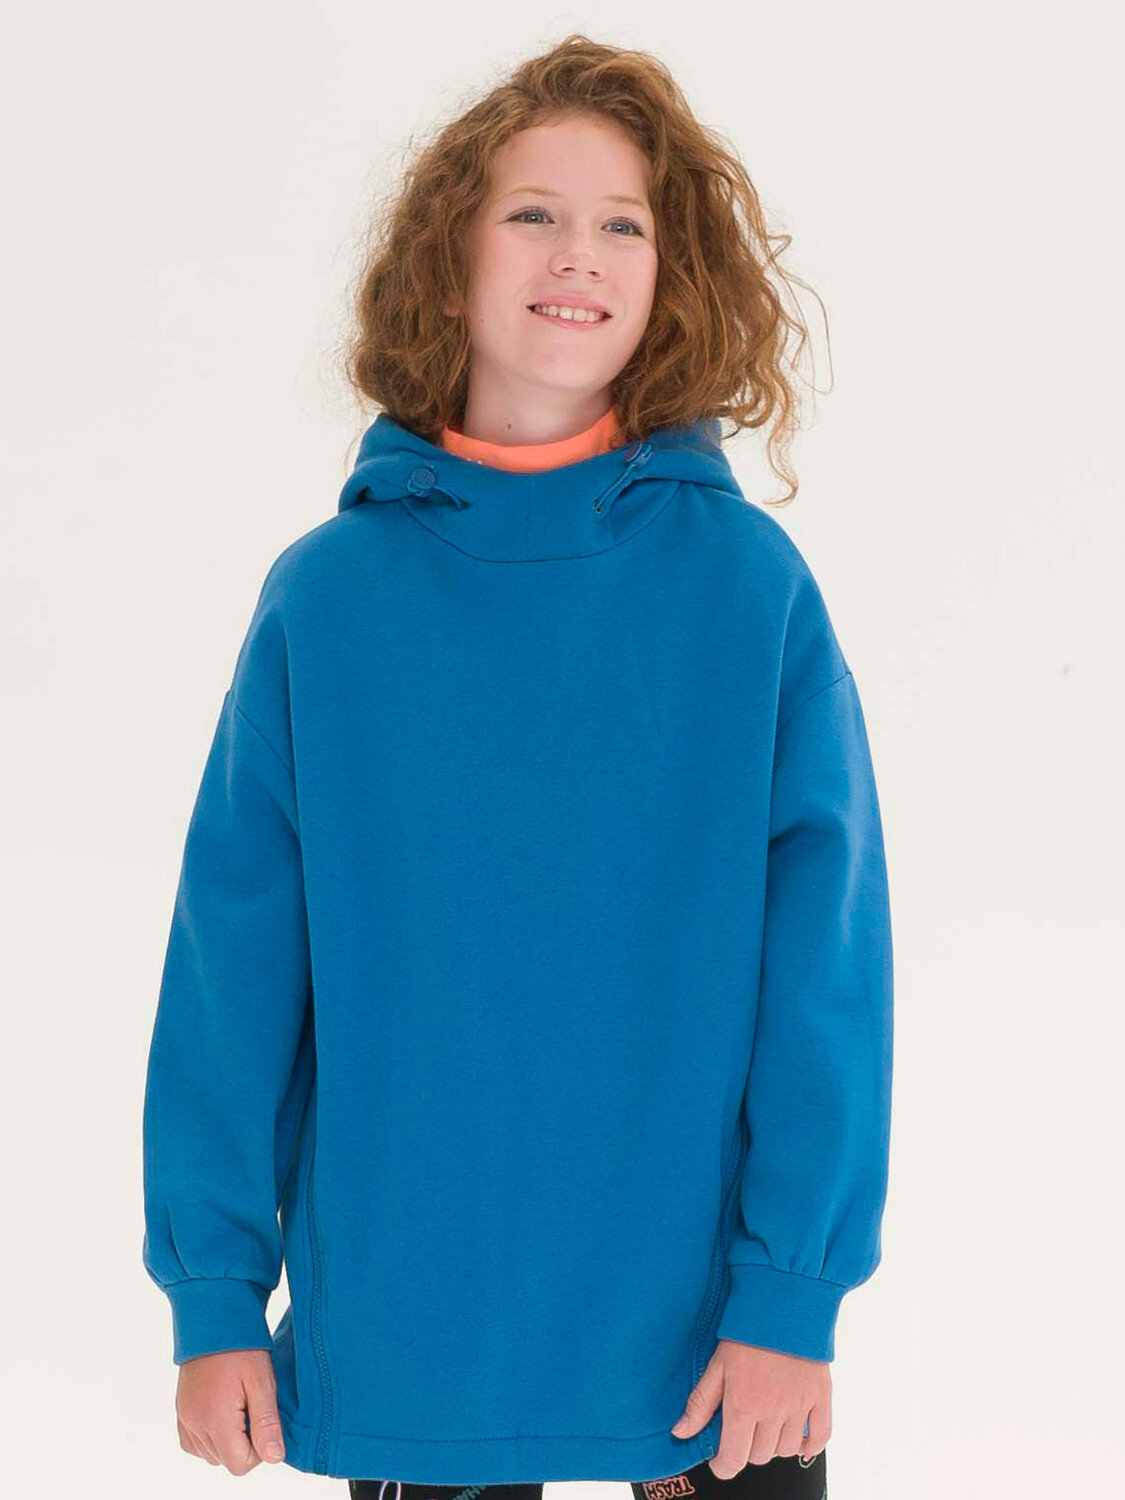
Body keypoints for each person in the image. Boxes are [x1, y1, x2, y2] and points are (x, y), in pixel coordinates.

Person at [141, 33, 893, 1500]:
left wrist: (791, 1293)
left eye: (624, 224)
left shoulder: (747, 591)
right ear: (448, 264)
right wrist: (214, 1294)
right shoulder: (328, 602)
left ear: (672, 278)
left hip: (711, 1346)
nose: (578, 254)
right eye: (533, 212)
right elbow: (235, 970)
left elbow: (826, 970)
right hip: (417, 1329)